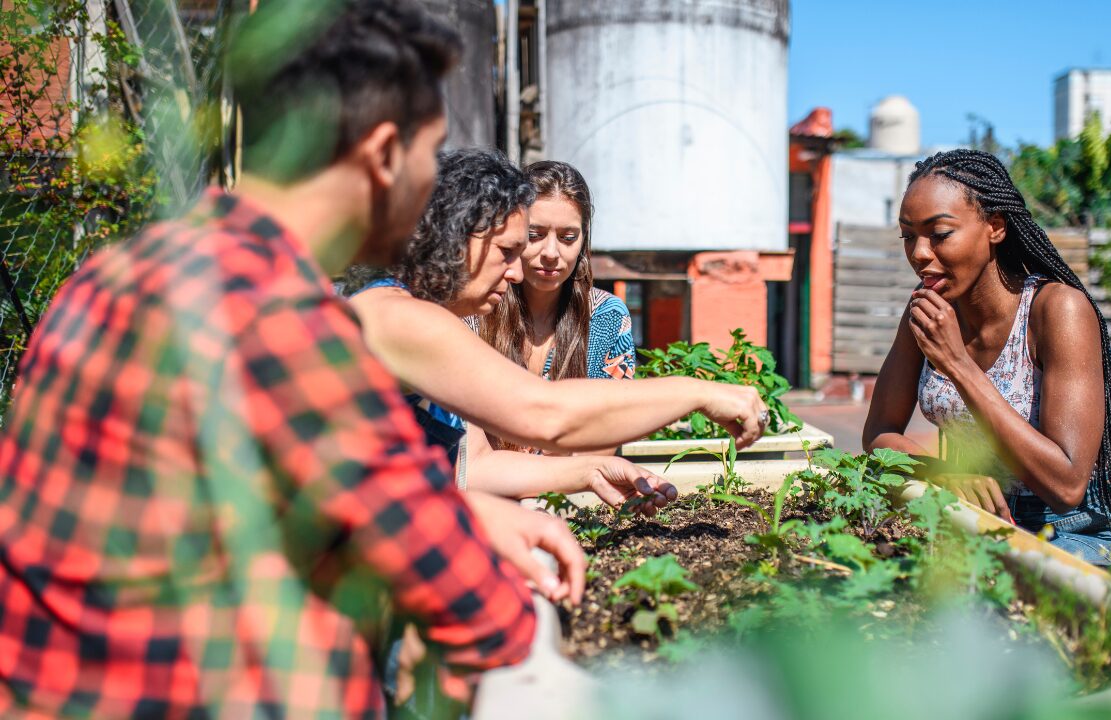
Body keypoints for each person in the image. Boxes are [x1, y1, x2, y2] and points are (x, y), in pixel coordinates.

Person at [0, 3, 585, 717]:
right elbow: (475, 606)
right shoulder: (278, 320)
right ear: (382, 154)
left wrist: (460, 515)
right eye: (430, 157)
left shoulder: (111, 276)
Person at [344, 149, 763, 510]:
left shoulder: (410, 311)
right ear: (453, 237)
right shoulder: (400, 317)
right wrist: (698, 391)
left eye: (566, 237)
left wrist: (591, 468)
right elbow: (543, 413)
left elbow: (476, 467)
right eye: (510, 250)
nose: (515, 271)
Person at [862, 149, 1111, 599]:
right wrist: (943, 474)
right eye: (908, 237)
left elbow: (1065, 484)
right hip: (979, 518)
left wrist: (957, 364)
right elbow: (879, 436)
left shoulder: (1058, 311)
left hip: (1073, 533)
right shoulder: (928, 313)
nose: (920, 254)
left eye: (940, 234)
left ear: (995, 227)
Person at [479, 160, 634, 382]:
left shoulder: (606, 317)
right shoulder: (476, 311)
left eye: (567, 238)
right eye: (534, 235)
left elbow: (617, 411)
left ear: (583, 238)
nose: (551, 253)